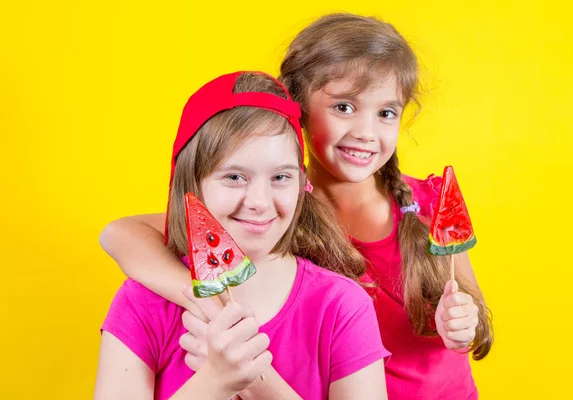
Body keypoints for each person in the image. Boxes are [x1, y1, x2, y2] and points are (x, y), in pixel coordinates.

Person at [100, 13, 493, 400]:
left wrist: (464, 326)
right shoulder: (275, 213)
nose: (366, 132)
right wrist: (202, 300)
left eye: (386, 113)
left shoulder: (426, 203)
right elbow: (120, 233)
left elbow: (473, 316)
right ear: (298, 108)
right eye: (344, 107)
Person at [94, 71, 389, 400]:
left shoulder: (343, 307)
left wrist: (257, 381)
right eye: (234, 177)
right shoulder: (142, 302)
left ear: (302, 183)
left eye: (280, 177)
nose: (260, 203)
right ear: (190, 185)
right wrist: (214, 383)